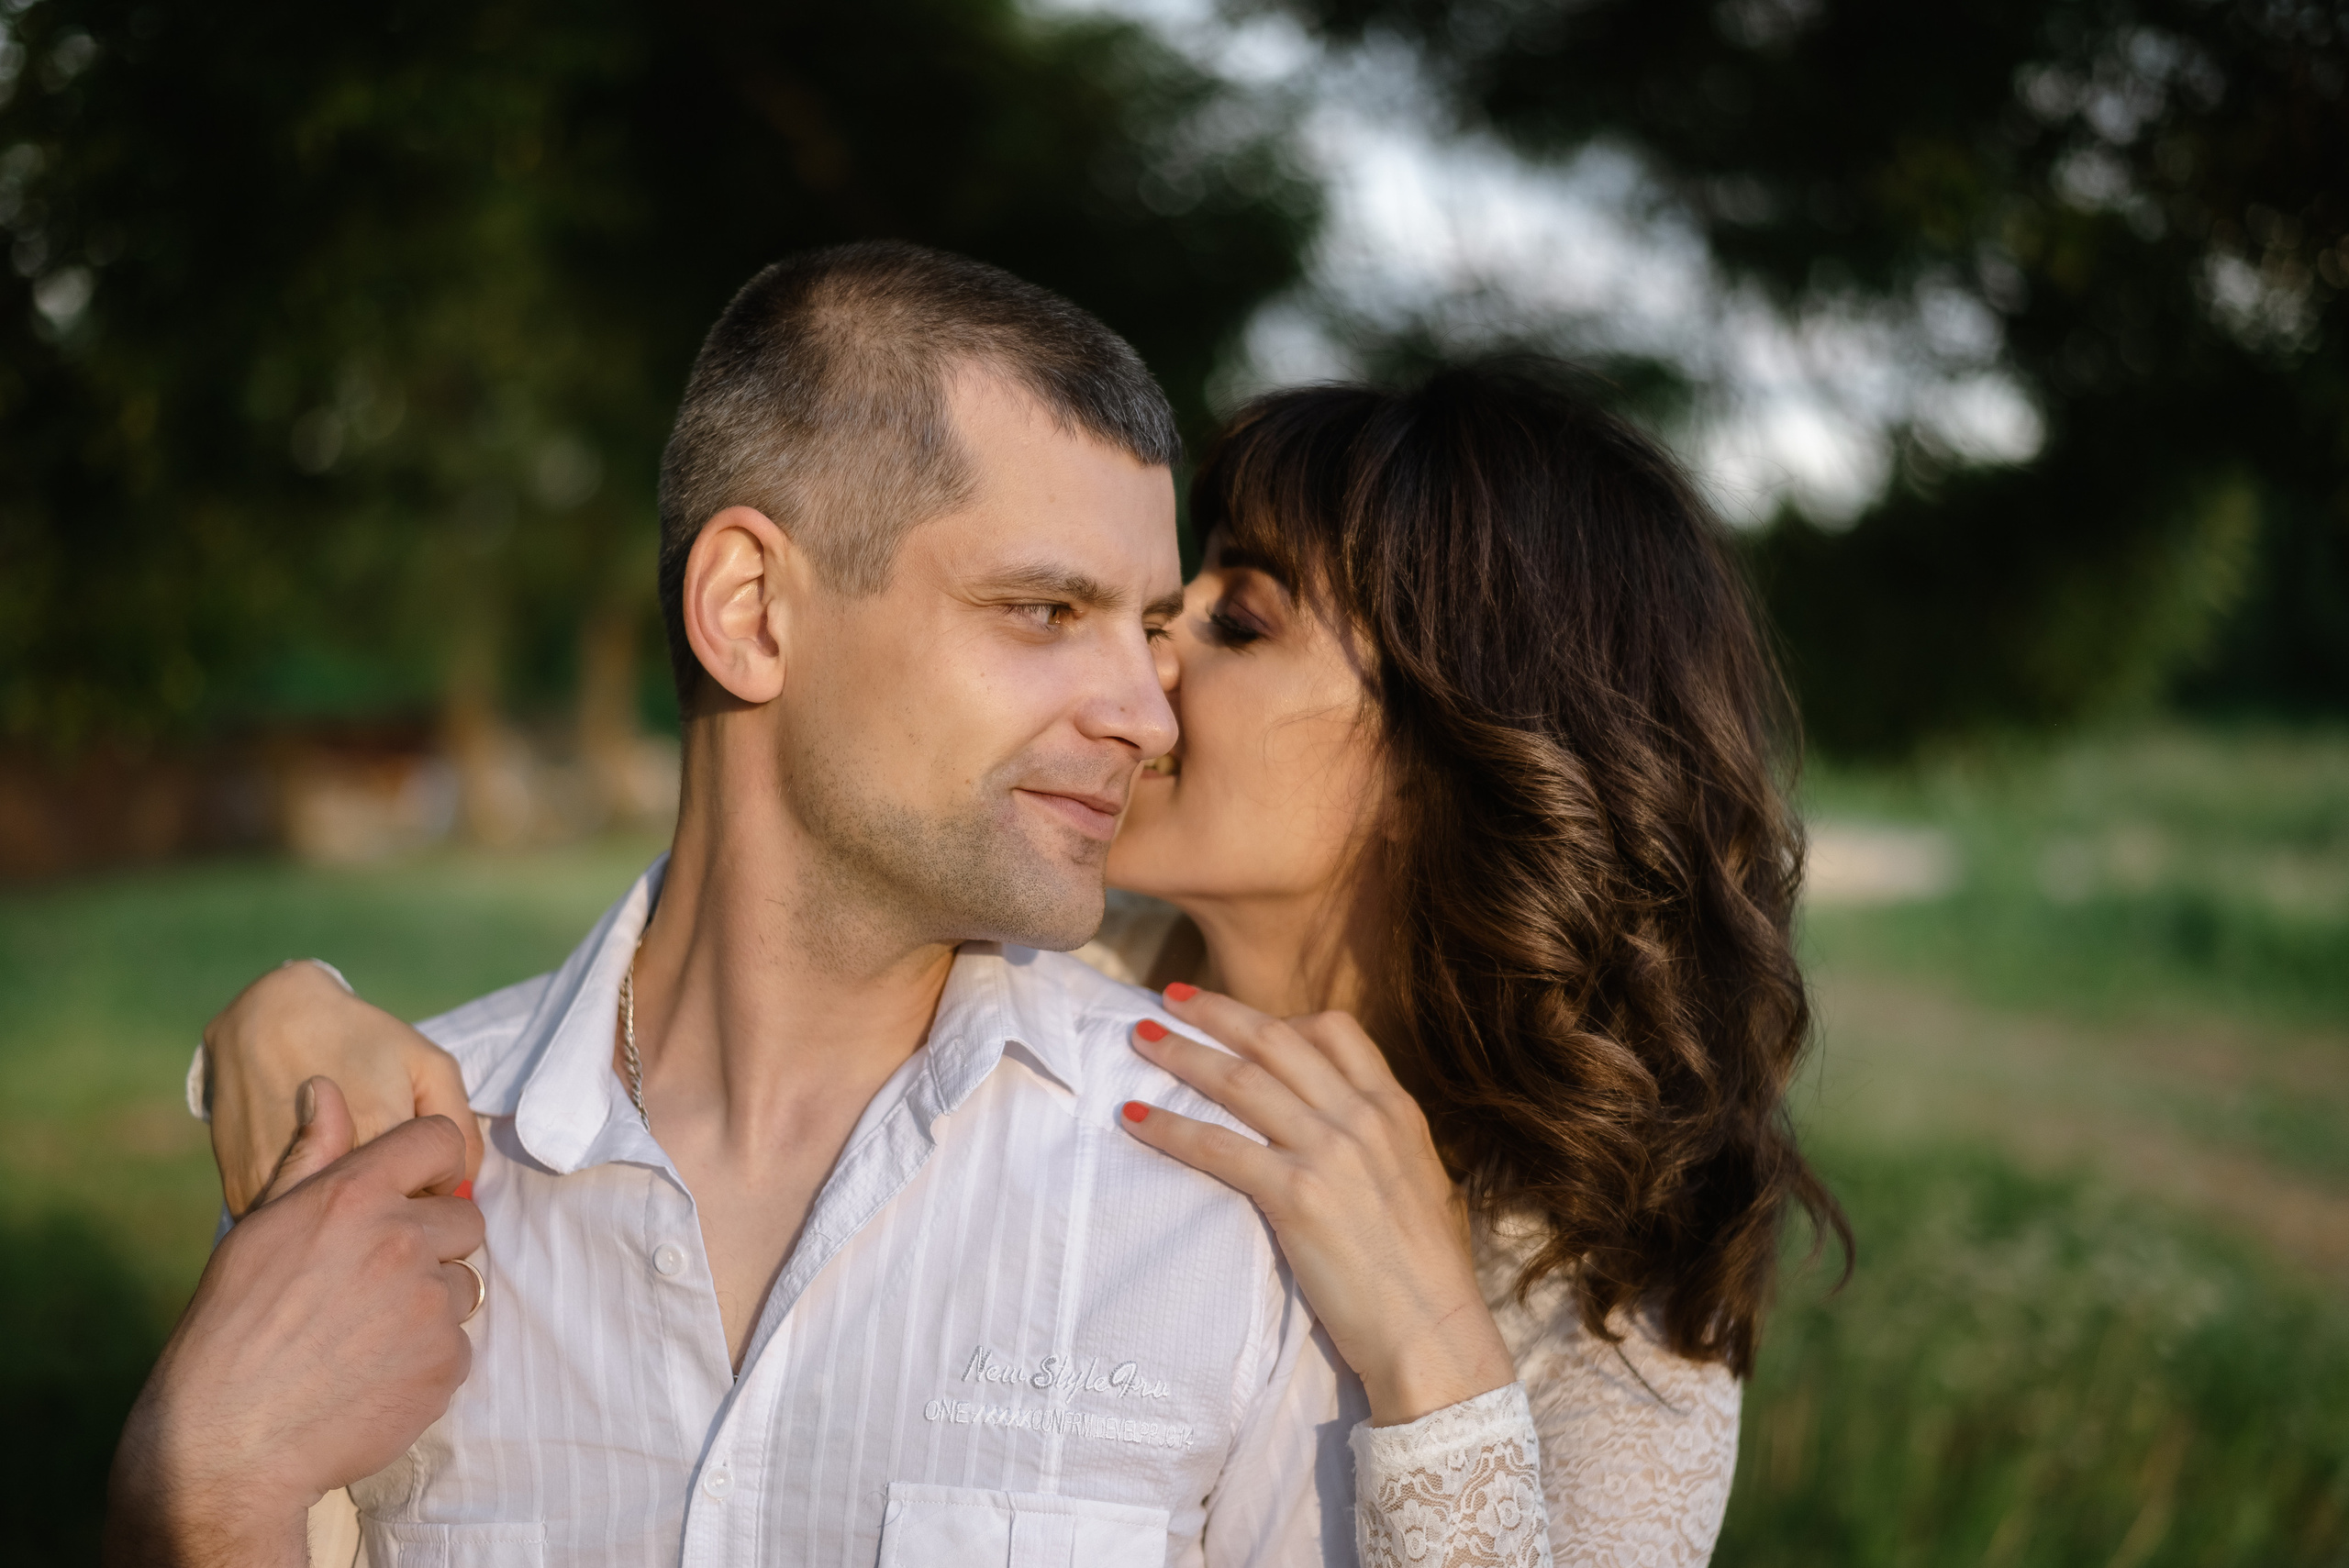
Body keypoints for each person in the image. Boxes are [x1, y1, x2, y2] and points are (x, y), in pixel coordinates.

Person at [200, 361, 1848, 1564]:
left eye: (1239, 621)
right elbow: (703, 977)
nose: (1144, 671)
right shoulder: (1018, 971)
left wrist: (1431, 1345)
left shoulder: (1607, 1295)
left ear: (1459, 747)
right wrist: (288, 1007)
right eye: (1144, 606)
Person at [112, 241, 1457, 1568]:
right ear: (751, 609)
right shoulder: (377, 1177)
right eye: (1047, 609)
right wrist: (197, 1488)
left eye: (1146, 625)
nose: (1148, 713)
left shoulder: (1230, 1195)